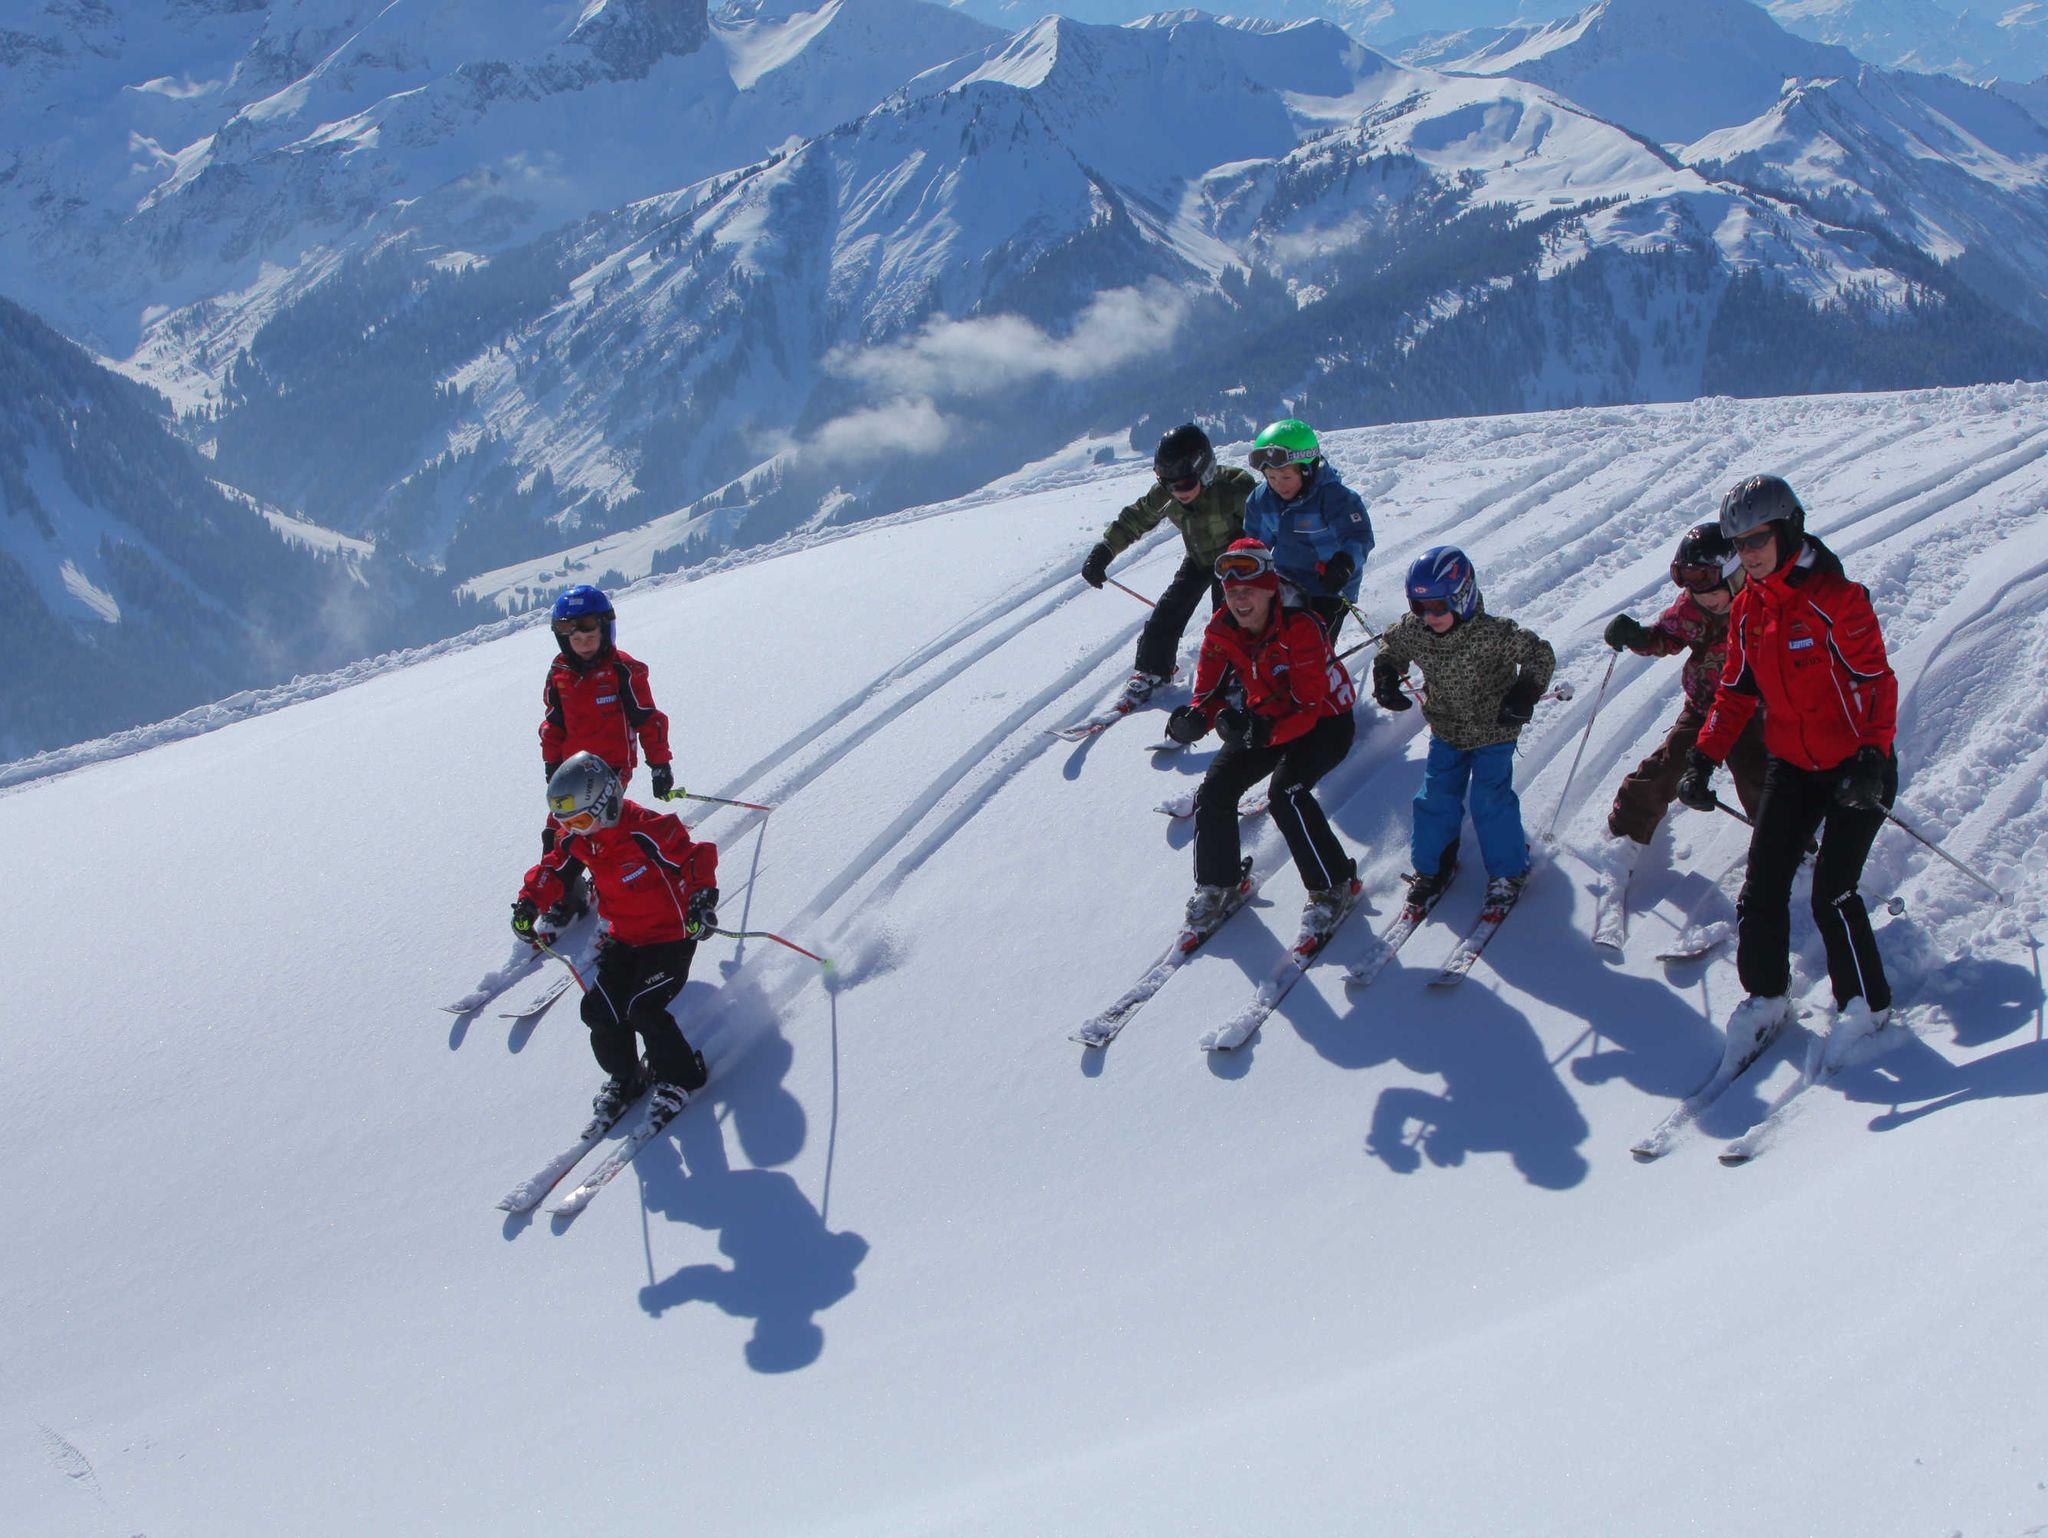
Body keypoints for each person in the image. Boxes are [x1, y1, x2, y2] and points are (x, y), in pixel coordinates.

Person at [1678, 474, 1899, 1064]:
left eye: (1757, 539)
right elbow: (1734, 693)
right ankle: (1766, 997)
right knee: (1761, 889)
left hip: (1856, 765)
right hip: (1794, 766)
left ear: (1787, 529)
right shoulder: (1749, 608)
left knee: (1833, 893)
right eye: (1739, 543)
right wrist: (1703, 757)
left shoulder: (1836, 600)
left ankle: (1866, 1005)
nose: (1748, 553)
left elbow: (1877, 683)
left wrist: (1872, 759)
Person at [1163, 538, 1360, 939]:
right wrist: (1195, 720)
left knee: (1286, 793)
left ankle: (1333, 884)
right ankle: (1218, 883)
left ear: (1270, 588)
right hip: (1265, 717)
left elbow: (1307, 706)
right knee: (1214, 790)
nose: (1239, 599)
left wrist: (1262, 732)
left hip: (1325, 720)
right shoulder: (1222, 629)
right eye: (1232, 591)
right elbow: (1208, 694)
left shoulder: (1301, 626)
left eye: (1248, 590)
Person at [512, 753, 718, 1124]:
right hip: (625, 938)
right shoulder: (581, 840)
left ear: (606, 804)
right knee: (599, 1010)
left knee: (643, 1008)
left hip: (670, 938)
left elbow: (694, 858)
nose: (574, 830)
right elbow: (552, 870)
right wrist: (529, 903)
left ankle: (681, 1078)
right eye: (566, 823)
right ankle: (626, 1077)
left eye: (579, 820)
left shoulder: (645, 830)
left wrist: (701, 899)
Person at [1373, 546, 1555, 910]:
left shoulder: (1493, 633)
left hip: (1494, 730)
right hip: (1447, 730)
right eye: (1419, 606)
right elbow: (1392, 647)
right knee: (1435, 798)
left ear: (1464, 596)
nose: (1429, 616)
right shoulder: (1417, 629)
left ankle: (1507, 873)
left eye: (1438, 606)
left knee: (1489, 799)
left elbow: (1540, 654)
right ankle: (1432, 869)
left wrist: (1524, 693)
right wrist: (1386, 676)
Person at [1599, 522, 1767, 865]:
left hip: (1752, 711)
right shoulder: (1692, 609)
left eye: (1713, 592)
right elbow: (1668, 637)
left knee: (1759, 777)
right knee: (1667, 765)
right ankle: (1625, 834)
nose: (1708, 601)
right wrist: (1639, 637)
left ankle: (1787, 843)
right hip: (1705, 706)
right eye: (1698, 594)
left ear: (1737, 575)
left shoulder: (1763, 606)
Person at [1081, 424, 1255, 708]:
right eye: (1169, 485)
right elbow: (1135, 519)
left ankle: (1238, 671)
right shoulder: (1167, 496)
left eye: (1184, 485)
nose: (1178, 492)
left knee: (1230, 616)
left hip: (1236, 562)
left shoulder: (1235, 488)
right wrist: (1104, 551)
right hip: (1198, 559)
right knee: (1168, 611)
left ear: (1205, 471)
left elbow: (1268, 522)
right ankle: (1153, 670)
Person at [537, 584, 675, 927]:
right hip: (572, 769)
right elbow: (553, 724)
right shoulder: (560, 673)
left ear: (605, 630)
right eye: (574, 638)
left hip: (611, 767)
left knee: (587, 829)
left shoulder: (622, 670)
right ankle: (564, 893)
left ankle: (618, 885)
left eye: (590, 635)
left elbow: (649, 719)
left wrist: (659, 764)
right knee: (557, 828)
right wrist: (552, 764)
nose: (583, 643)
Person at [1242, 418, 1374, 641]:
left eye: (1286, 477)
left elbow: (1359, 537)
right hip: (1285, 582)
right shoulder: (1263, 499)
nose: (1279, 484)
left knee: (1311, 642)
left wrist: (1344, 564)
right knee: (1268, 638)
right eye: (1271, 477)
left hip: (1329, 585)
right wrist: (1246, 566)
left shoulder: (1334, 498)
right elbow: (1256, 542)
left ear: (1306, 471)